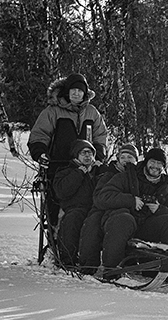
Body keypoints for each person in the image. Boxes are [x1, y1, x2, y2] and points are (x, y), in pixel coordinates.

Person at [27, 73, 108, 255]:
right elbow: (39, 135)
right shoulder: (53, 111)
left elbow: (101, 136)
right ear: (66, 91)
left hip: (88, 168)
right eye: (73, 90)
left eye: (80, 91)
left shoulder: (92, 113)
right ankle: (57, 245)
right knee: (57, 211)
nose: (77, 94)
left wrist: (99, 154)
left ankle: (88, 246)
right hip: (58, 168)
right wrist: (40, 153)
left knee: (89, 206)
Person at [94, 146, 168, 270]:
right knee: (123, 219)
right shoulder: (127, 177)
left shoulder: (165, 188)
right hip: (122, 224)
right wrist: (131, 200)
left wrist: (159, 209)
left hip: (146, 227)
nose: (155, 166)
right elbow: (103, 197)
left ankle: (167, 269)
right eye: (152, 162)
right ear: (146, 162)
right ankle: (111, 269)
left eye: (159, 163)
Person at [78, 142, 139, 270]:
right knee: (93, 224)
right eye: (123, 157)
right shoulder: (108, 175)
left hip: (130, 214)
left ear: (136, 160)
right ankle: (90, 265)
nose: (126, 161)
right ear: (118, 159)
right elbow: (100, 198)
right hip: (104, 211)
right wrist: (129, 200)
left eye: (130, 157)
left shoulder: (139, 176)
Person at [51, 139, 106, 268]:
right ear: (76, 155)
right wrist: (79, 173)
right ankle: (68, 260)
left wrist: (100, 170)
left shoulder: (99, 170)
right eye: (83, 153)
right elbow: (62, 192)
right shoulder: (65, 172)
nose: (87, 156)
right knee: (72, 220)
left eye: (90, 153)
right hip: (74, 208)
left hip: (96, 208)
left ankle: (92, 264)